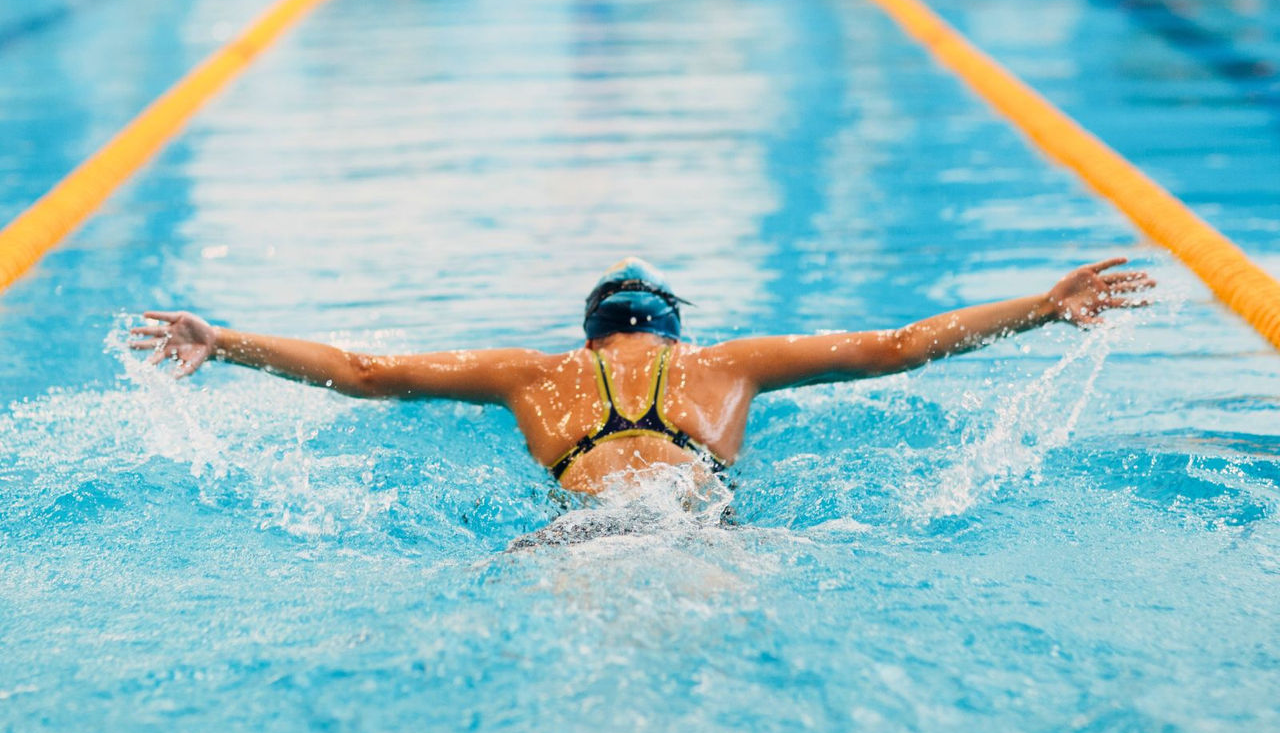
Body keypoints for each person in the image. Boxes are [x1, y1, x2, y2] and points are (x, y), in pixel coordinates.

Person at [130, 256, 1153, 494]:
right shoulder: (724, 367)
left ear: (589, 339)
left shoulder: (531, 378)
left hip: (575, 527)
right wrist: (1037, 308)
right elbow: (895, 345)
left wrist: (222, 339)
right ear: (670, 335)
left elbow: (363, 371)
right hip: (697, 514)